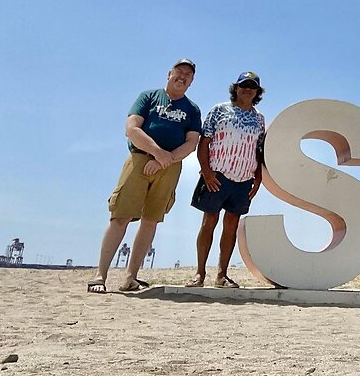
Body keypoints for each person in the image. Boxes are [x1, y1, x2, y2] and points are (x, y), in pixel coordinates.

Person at [89, 59, 202, 293]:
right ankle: (100, 275)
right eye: (179, 72)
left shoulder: (192, 110)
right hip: (140, 160)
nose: (182, 77)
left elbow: (192, 142)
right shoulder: (149, 97)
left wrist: (164, 160)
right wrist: (156, 153)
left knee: (150, 221)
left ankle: (131, 277)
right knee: (120, 216)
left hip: (170, 167)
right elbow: (132, 129)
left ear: (191, 82)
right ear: (169, 73)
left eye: (188, 75)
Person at [187, 71, 267, 288]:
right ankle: (199, 274)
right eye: (243, 85)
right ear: (236, 88)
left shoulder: (259, 119)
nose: (247, 89)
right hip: (217, 175)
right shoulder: (219, 110)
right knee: (209, 221)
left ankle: (221, 275)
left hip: (243, 178)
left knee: (231, 225)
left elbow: (259, 150)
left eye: (252, 86)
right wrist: (207, 172)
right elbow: (204, 143)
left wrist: (258, 177)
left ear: (257, 92)